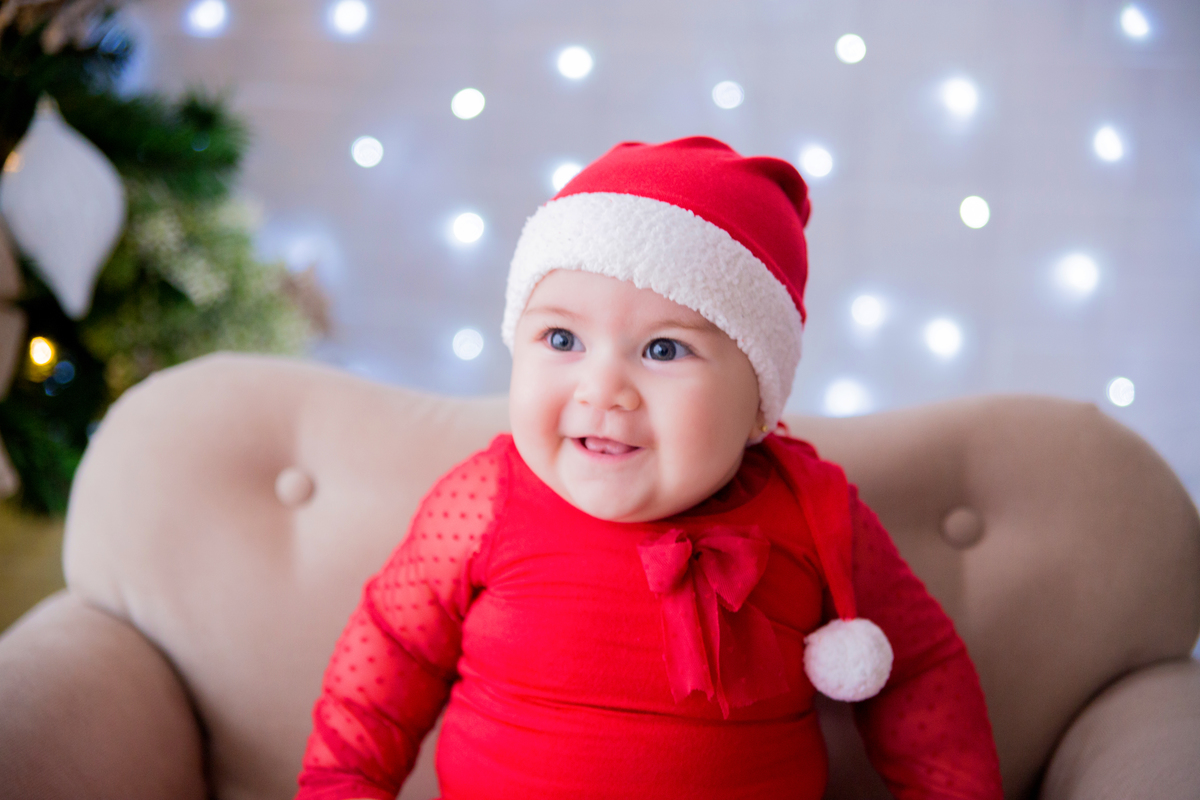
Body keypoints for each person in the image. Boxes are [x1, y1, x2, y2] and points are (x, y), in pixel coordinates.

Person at [295, 137, 1004, 800]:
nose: (602, 389)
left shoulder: (814, 513)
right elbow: (387, 658)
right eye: (563, 338)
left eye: (664, 350)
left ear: (757, 398)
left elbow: (921, 675)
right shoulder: (483, 500)